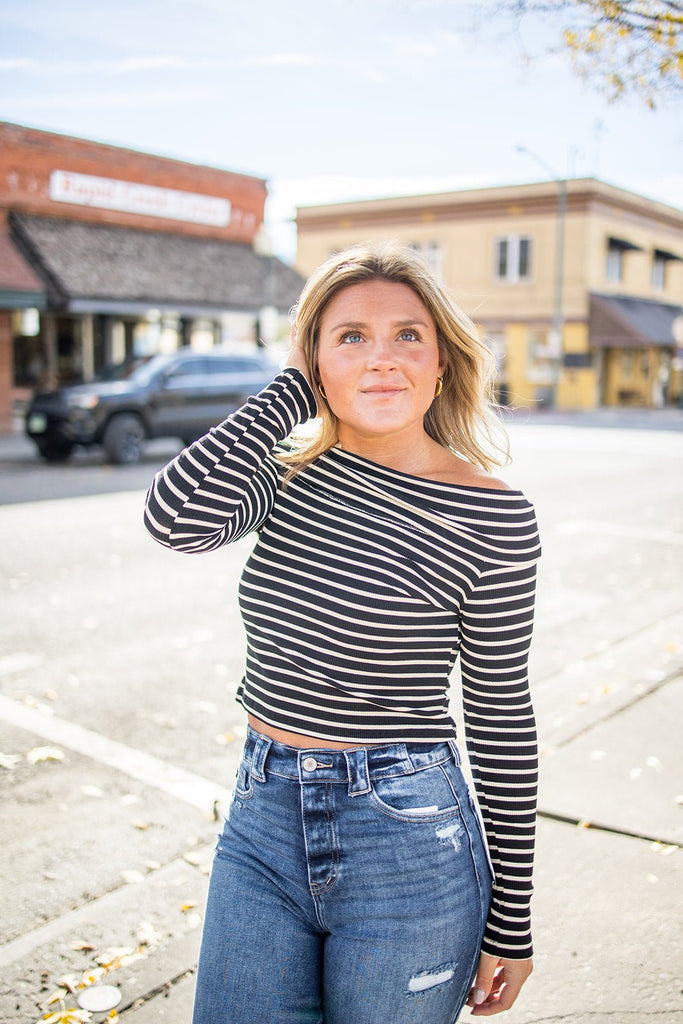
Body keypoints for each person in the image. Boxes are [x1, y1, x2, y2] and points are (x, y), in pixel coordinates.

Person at [144, 242, 541, 1024]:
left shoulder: (495, 517)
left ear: (440, 362)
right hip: (260, 823)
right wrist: (287, 390)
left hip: (408, 839)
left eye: (407, 336)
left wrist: (514, 918)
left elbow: (500, 713)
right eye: (349, 337)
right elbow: (172, 521)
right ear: (314, 361)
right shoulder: (285, 474)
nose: (382, 359)